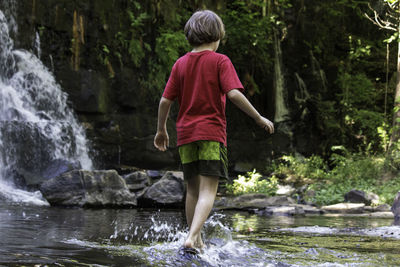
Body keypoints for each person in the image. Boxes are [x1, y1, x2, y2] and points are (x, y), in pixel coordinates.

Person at [154, 9, 274, 253]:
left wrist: (161, 131)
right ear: (217, 36)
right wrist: (258, 117)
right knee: (209, 190)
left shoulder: (180, 63)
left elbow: (165, 101)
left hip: (185, 136)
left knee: (192, 190)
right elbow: (233, 94)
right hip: (211, 133)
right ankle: (193, 236)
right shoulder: (220, 61)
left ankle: (195, 240)